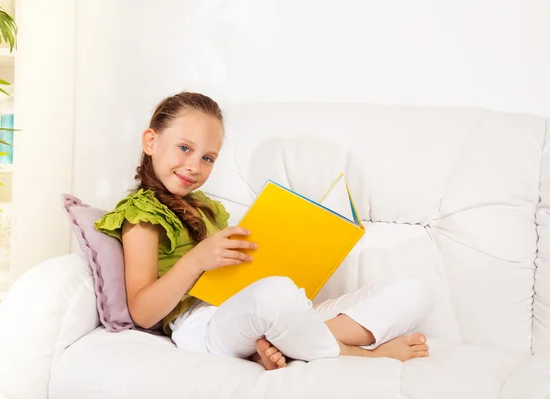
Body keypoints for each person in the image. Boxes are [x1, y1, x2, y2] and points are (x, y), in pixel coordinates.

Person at [95, 92, 434, 371]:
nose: (194, 167)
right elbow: (141, 312)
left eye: (208, 158)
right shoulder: (141, 214)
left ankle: (281, 343)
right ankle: (365, 356)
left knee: (414, 292)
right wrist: (197, 260)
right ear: (151, 141)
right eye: (185, 148)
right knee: (277, 295)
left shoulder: (206, 208)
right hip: (202, 326)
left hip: (254, 309)